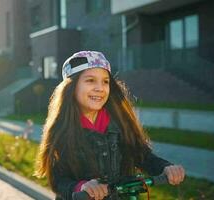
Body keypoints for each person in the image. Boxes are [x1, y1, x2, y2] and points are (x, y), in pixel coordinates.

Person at [35, 51, 185, 200]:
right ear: (71, 87)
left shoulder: (120, 123)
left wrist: (165, 167)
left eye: (105, 81)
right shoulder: (63, 130)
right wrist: (82, 187)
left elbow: (141, 154)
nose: (100, 88)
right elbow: (58, 180)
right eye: (90, 80)